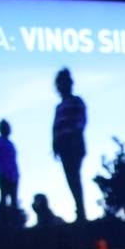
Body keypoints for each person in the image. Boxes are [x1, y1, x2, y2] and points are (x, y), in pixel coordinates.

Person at [51, 68, 88, 224]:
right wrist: (55, 144)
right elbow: (55, 127)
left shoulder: (76, 101)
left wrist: (72, 137)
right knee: (70, 178)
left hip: (74, 144)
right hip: (63, 147)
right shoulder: (59, 107)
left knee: (74, 177)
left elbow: (81, 122)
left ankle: (81, 211)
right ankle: (79, 209)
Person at [0, 119, 18, 212]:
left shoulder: (10, 143)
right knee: (4, 199)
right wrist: (3, 172)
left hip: (14, 175)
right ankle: (3, 222)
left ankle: (15, 222)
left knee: (14, 201)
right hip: (4, 175)